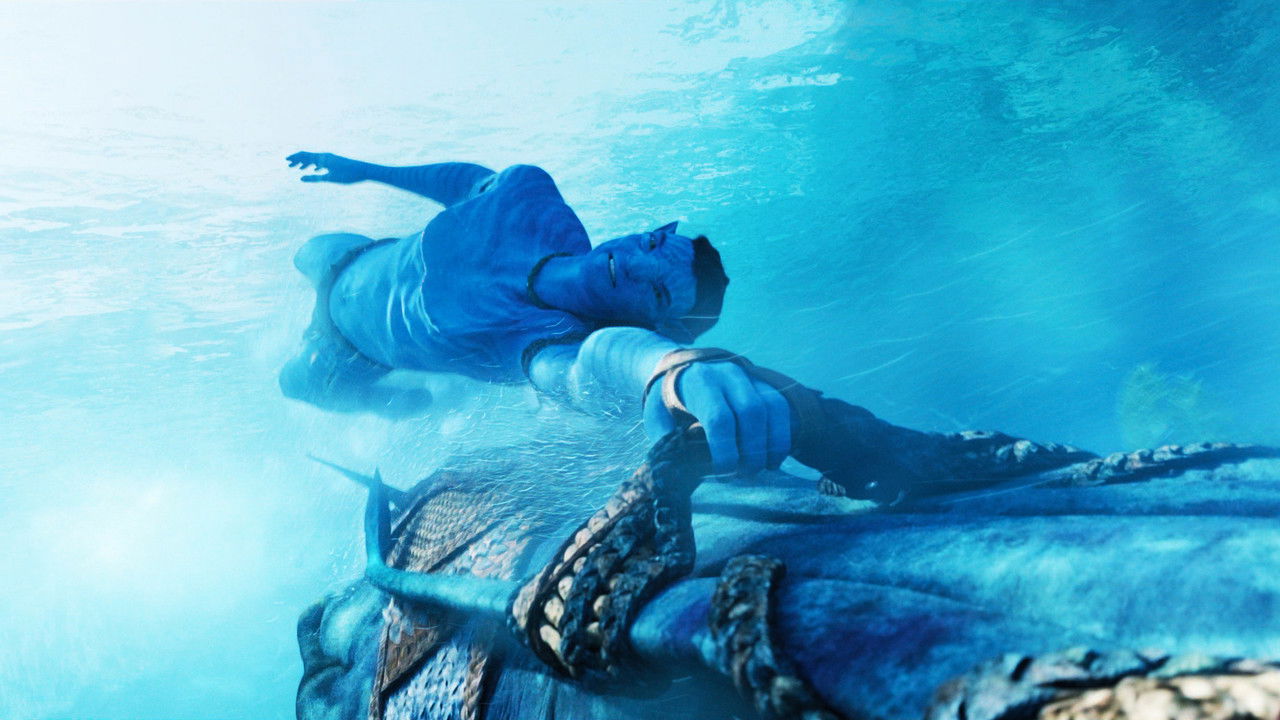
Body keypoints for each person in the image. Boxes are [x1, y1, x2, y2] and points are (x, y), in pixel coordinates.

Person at [281, 153, 1092, 498]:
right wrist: (365, 170)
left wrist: (671, 370)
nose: (637, 271)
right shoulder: (530, 191)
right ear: (651, 231)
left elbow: (600, 366)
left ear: (650, 322)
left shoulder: (544, 341)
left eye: (656, 296)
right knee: (306, 250)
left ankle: (405, 403)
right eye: (653, 255)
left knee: (308, 385)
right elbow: (465, 180)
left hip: (345, 356)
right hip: (351, 257)